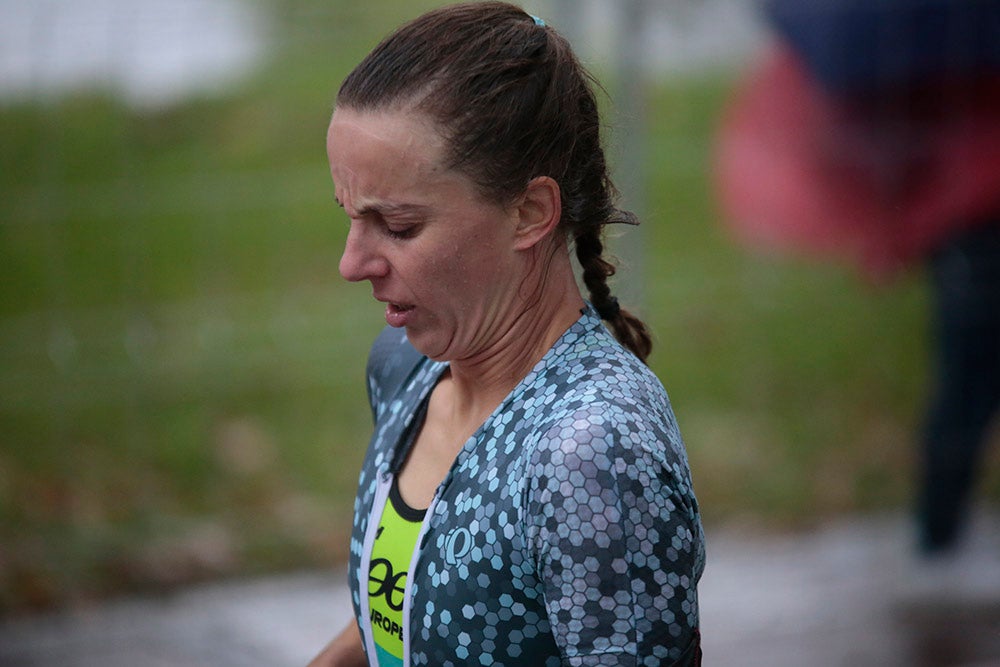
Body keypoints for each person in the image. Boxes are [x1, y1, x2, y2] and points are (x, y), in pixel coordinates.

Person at [308, 3, 705, 666]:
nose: (352, 264)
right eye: (351, 217)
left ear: (529, 212)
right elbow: (397, 610)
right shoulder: (405, 368)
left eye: (399, 227)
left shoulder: (592, 456)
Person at [714, 0, 1000, 559]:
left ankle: (936, 538)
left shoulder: (944, 43)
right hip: (973, 230)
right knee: (965, 384)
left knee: (963, 384)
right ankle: (937, 540)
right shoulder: (954, 45)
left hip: (968, 229)